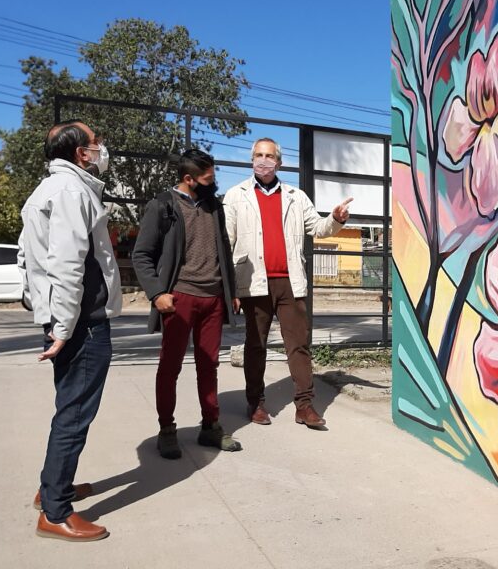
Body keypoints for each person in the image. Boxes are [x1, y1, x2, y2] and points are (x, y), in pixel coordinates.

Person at [18, 120, 121, 542]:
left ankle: (50, 490)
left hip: (74, 321)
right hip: (83, 325)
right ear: (81, 153)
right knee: (74, 416)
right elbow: (64, 264)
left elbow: (28, 257)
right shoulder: (70, 191)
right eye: (96, 142)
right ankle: (56, 511)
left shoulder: (54, 189)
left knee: (70, 411)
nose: (100, 148)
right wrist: (62, 327)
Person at [223, 137, 352, 429]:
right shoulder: (235, 195)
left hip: (289, 283)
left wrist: (336, 218)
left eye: (269, 155)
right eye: (258, 154)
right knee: (255, 346)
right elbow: (226, 240)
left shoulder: (296, 195)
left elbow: (318, 228)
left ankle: (304, 406)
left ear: (279, 162)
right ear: (251, 159)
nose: (263, 160)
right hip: (253, 283)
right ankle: (255, 403)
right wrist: (230, 288)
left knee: (299, 345)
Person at [132, 149, 242, 459]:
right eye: (208, 178)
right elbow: (141, 254)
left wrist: (229, 289)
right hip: (179, 299)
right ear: (188, 179)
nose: (213, 182)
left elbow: (224, 249)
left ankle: (210, 426)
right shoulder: (162, 206)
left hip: (213, 299)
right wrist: (157, 293)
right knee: (170, 366)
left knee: (210, 366)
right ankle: (167, 430)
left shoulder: (213, 206)